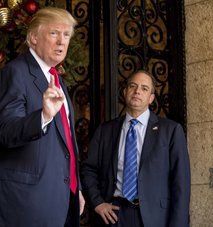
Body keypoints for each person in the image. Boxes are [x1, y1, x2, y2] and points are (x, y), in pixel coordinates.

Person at [0, 7, 85, 227]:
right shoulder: (15, 72)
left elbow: (64, 144)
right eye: (54, 33)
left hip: (58, 199)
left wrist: (75, 189)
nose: (62, 41)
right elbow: (5, 132)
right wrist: (43, 116)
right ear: (34, 38)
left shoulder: (57, 80)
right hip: (21, 204)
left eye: (66, 35)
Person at [81, 70, 190, 227]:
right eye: (133, 86)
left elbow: (181, 183)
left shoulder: (171, 131)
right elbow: (88, 169)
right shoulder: (105, 130)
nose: (137, 91)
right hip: (113, 215)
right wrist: (98, 202)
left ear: (151, 98)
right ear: (125, 92)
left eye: (144, 88)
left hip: (155, 218)